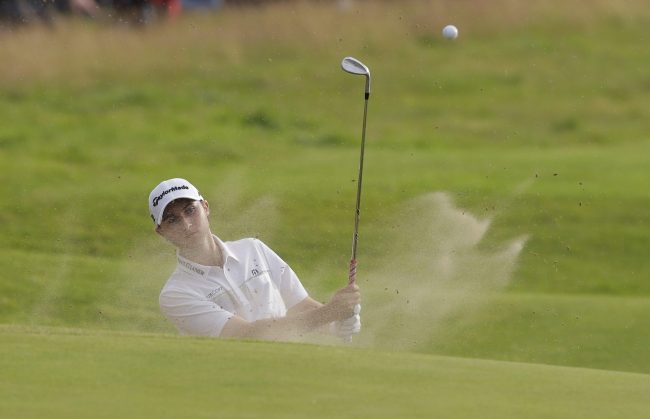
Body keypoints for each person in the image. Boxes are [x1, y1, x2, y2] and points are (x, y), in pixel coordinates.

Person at [149, 178, 361, 341]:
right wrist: (329, 312)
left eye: (190, 210)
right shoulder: (176, 294)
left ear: (205, 207)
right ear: (161, 232)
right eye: (172, 219)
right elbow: (247, 336)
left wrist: (337, 323)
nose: (186, 224)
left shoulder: (253, 249)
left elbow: (301, 306)